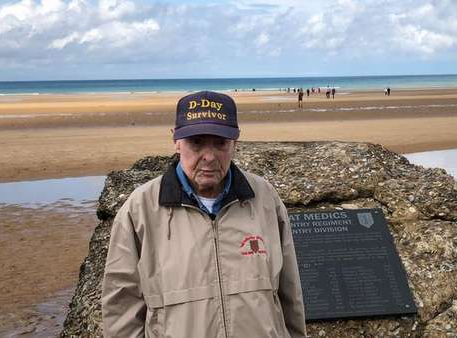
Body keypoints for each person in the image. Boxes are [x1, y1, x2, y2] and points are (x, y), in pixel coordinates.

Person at [102, 91, 307, 338]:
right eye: (196, 142)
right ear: (176, 141)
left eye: (220, 143)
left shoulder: (264, 197)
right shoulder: (141, 208)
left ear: (235, 143)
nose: (209, 157)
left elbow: (289, 291)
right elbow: (121, 305)